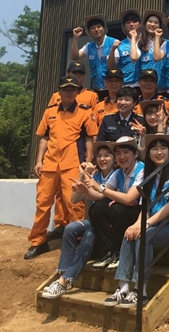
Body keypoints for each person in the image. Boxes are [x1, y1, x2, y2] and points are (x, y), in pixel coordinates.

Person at [105, 134, 169, 307]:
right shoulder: (150, 175)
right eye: (154, 148)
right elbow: (146, 206)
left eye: (163, 148)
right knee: (130, 233)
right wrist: (137, 224)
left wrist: (146, 224)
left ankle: (140, 290)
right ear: (149, 153)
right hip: (156, 225)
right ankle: (123, 287)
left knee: (144, 237)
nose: (159, 152)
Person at [25, 76, 98, 259]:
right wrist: (39, 161)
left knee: (74, 204)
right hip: (50, 164)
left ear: (76, 92)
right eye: (65, 89)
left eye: (72, 89)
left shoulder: (84, 112)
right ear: (59, 91)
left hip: (72, 164)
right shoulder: (50, 111)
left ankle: (77, 240)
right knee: (43, 203)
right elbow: (44, 138)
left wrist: (88, 163)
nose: (69, 92)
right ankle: (38, 241)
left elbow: (90, 138)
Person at [41, 142, 115, 299]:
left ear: (114, 158)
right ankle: (62, 274)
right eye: (99, 156)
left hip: (106, 224)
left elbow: (100, 196)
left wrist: (88, 188)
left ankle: (65, 281)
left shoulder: (116, 176)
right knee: (70, 228)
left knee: (89, 234)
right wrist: (82, 174)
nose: (102, 159)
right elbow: (74, 199)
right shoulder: (94, 176)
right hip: (92, 221)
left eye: (107, 155)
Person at [87, 136, 145, 270]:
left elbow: (129, 199)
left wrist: (100, 188)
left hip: (140, 213)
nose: (121, 156)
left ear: (135, 154)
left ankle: (120, 253)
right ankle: (109, 252)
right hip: (123, 209)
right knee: (96, 209)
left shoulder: (142, 170)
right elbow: (100, 195)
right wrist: (85, 190)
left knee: (116, 209)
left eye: (125, 152)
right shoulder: (119, 172)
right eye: (118, 153)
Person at [70, 14, 115, 94]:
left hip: (113, 89)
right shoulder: (89, 46)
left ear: (104, 28)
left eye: (99, 27)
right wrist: (75, 38)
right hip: (96, 89)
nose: (96, 29)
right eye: (92, 28)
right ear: (89, 32)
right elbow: (74, 56)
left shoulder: (114, 43)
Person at [108, 9, 142, 87]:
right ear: (123, 26)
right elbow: (111, 67)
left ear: (140, 24)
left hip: (145, 85)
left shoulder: (147, 41)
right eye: (128, 22)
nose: (131, 24)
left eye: (134, 21)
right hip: (127, 86)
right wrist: (113, 49)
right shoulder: (120, 45)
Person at [140, 10, 167, 86]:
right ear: (145, 24)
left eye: (156, 22)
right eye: (150, 21)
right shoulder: (139, 43)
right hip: (145, 85)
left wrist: (157, 37)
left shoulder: (166, 43)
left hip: (162, 85)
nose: (152, 24)